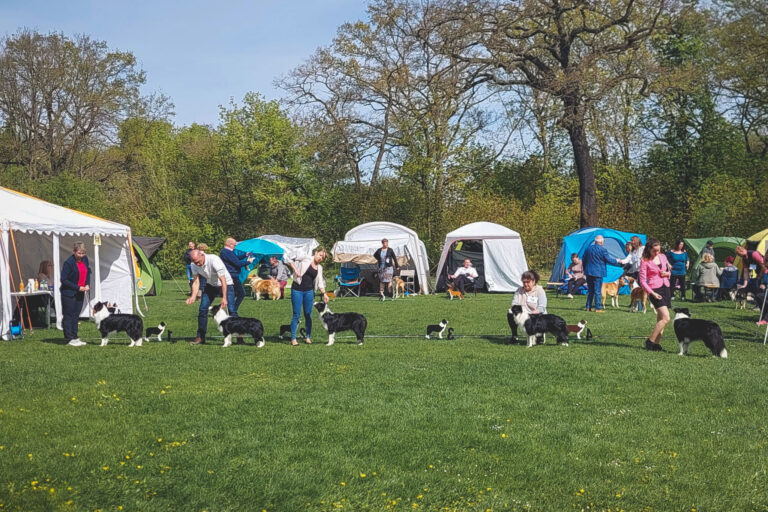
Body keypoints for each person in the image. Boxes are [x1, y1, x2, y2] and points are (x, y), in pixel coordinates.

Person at [185, 249, 235, 345]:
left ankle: (239, 337)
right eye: (195, 262)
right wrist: (193, 296)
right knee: (203, 309)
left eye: (198, 262)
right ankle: (200, 337)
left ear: (201, 255)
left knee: (232, 310)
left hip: (226, 284)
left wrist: (224, 297)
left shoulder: (214, 259)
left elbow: (223, 280)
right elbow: (196, 282)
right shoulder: (193, 265)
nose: (197, 264)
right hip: (210, 285)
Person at [287, 247, 330, 346]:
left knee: (308, 314)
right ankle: (293, 338)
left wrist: (324, 293)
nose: (320, 258)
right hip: (297, 290)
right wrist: (295, 269)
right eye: (320, 255)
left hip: (309, 292)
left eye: (323, 258)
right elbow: (288, 259)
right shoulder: (305, 258)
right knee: (296, 314)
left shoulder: (319, 268)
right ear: (316, 253)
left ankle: (308, 337)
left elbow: (320, 283)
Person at [638, 238, 672, 351]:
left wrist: (667, 273)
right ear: (649, 249)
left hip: (665, 287)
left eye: (659, 250)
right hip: (654, 290)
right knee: (666, 318)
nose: (657, 253)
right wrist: (652, 293)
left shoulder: (663, 257)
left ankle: (656, 344)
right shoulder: (644, 261)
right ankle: (650, 341)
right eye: (655, 251)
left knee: (661, 318)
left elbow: (669, 271)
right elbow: (642, 281)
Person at [60, 242, 91, 346]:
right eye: (79, 253)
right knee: (68, 315)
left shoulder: (85, 260)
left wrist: (87, 284)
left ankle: (75, 336)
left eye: (83, 253)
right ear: (74, 252)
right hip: (69, 293)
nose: (81, 255)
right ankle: (69, 338)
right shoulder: (69, 263)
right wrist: (78, 287)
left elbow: (87, 272)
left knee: (76, 315)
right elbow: (63, 279)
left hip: (80, 292)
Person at [582, 235, 623, 312]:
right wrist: (617, 260)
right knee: (597, 291)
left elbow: (584, 259)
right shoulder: (603, 250)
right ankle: (598, 308)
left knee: (590, 290)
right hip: (598, 272)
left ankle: (588, 307)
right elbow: (609, 260)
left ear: (595, 241)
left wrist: (585, 269)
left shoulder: (588, 249)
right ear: (601, 242)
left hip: (589, 272)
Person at [219, 238, 254, 316]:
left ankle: (233, 310)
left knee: (237, 293)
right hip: (232, 275)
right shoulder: (227, 252)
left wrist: (245, 255)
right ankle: (233, 311)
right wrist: (248, 262)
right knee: (240, 293)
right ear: (230, 244)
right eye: (234, 245)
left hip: (232, 275)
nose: (235, 246)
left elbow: (235, 258)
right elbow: (237, 263)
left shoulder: (227, 252)